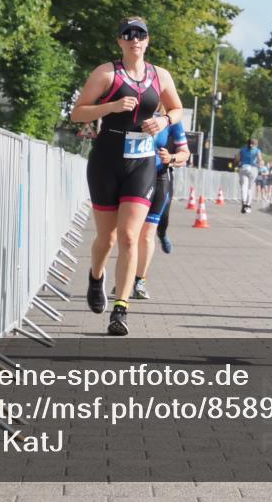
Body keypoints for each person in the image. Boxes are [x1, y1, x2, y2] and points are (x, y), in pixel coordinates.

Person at [70, 17, 183, 336]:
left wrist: (163, 120)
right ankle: (95, 277)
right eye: (128, 35)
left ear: (148, 41)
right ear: (119, 41)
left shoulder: (160, 75)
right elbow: (78, 112)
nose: (135, 39)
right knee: (106, 238)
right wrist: (112, 105)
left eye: (141, 34)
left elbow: (177, 110)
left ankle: (120, 309)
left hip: (142, 162)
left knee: (130, 236)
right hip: (106, 160)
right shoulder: (107, 73)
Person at [133, 111, 189, 298]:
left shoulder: (171, 119)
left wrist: (171, 158)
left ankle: (140, 281)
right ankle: (127, 278)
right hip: (134, 177)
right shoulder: (136, 112)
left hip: (159, 177)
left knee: (152, 230)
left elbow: (185, 154)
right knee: (132, 235)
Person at [238, 138, 264, 213]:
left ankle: (243, 203)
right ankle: (248, 205)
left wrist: (239, 162)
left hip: (243, 168)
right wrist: (260, 164)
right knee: (250, 187)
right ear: (256, 144)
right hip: (253, 168)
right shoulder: (257, 150)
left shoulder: (242, 150)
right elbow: (260, 159)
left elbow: (238, 159)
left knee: (244, 187)